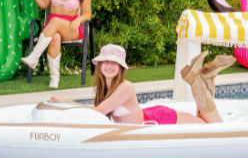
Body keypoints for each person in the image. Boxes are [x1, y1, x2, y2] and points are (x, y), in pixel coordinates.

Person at [52, 44, 234, 124]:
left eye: (113, 62)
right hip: (150, 116)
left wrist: (65, 101)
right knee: (203, 120)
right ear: (99, 66)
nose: (108, 66)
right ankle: (206, 76)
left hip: (158, 119)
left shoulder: (125, 87)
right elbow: (98, 111)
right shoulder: (106, 88)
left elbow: (99, 111)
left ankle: (196, 79)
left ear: (121, 68)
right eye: (105, 62)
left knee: (211, 126)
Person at [21, 0, 92, 89]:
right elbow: (43, 5)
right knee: (56, 38)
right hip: (52, 29)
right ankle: (54, 79)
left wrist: (79, 20)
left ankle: (34, 57)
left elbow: (88, 13)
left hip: (71, 27)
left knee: (55, 22)